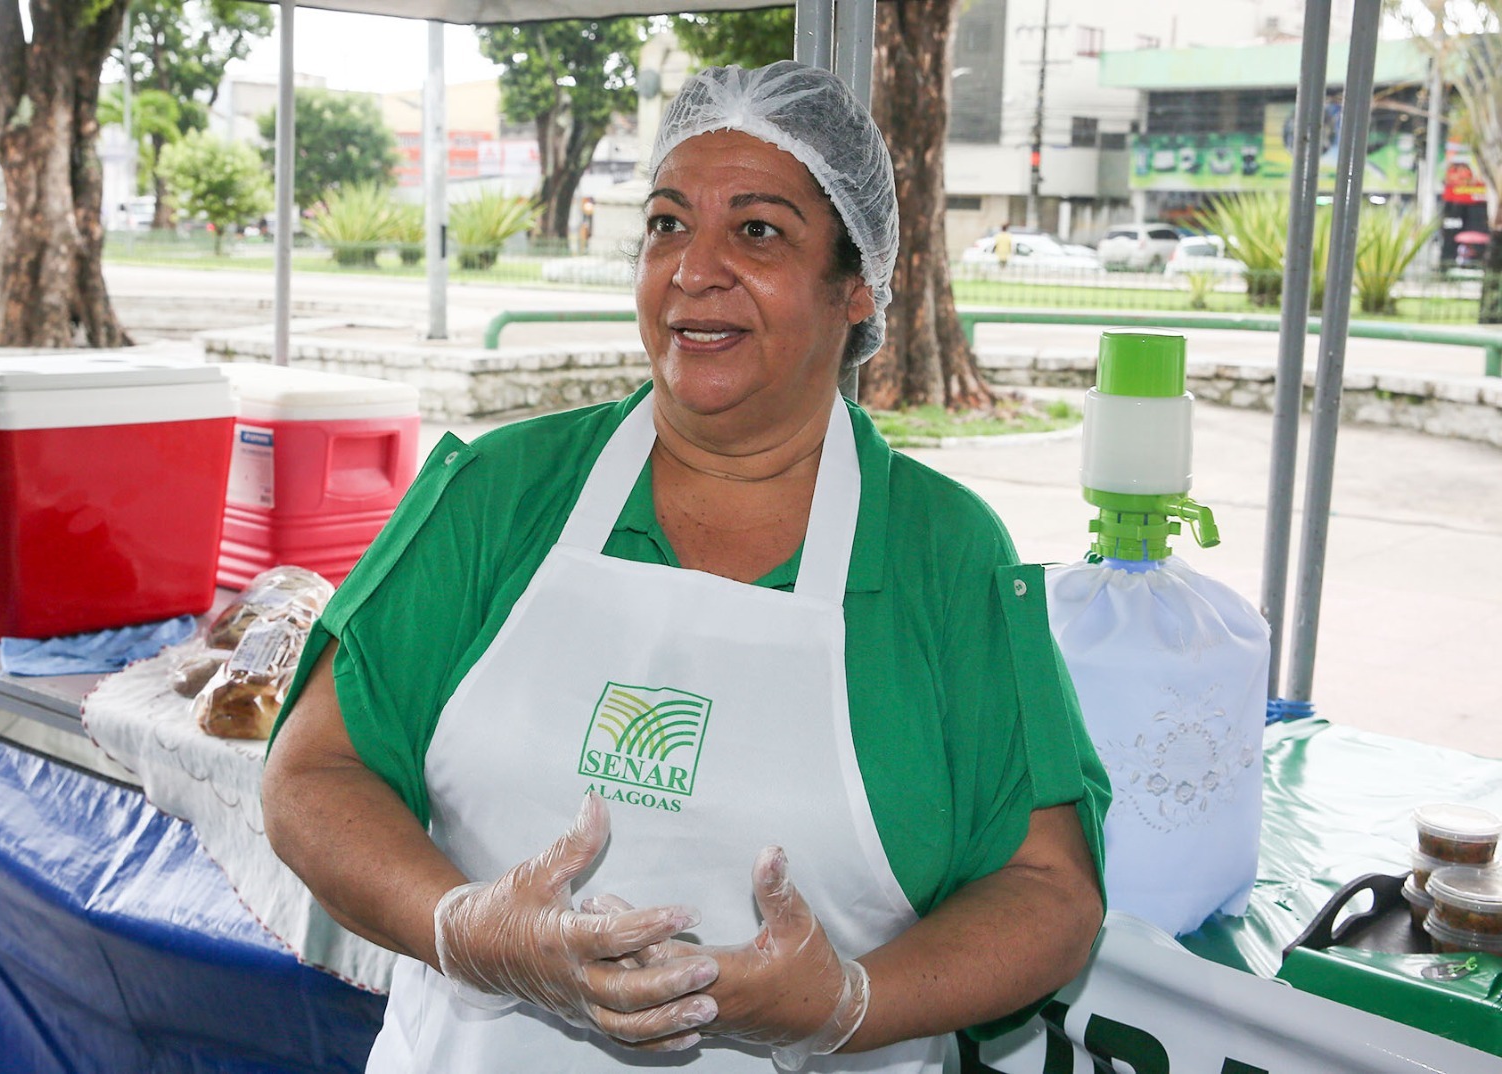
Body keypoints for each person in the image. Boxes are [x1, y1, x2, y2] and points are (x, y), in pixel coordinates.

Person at [263, 60, 1108, 1073]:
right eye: (667, 223)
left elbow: (1046, 889)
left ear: (857, 288)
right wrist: (464, 927)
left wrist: (847, 1001)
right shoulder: (498, 494)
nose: (692, 270)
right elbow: (314, 771)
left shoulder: (941, 554)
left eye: (757, 231)